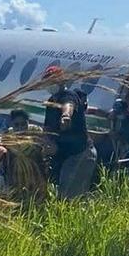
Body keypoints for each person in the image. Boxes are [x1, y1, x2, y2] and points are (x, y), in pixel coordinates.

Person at [40, 65, 97, 199]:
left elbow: (68, 105)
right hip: (65, 154)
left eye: (53, 81)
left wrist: (66, 116)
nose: (50, 84)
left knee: (69, 196)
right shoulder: (51, 102)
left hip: (80, 153)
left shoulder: (68, 95)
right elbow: (48, 127)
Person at [0, 110, 55, 204]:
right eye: (17, 125)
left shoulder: (36, 132)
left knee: (35, 200)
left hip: (35, 174)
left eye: (23, 124)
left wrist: (44, 145)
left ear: (28, 123)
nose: (20, 128)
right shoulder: (8, 136)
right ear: (12, 124)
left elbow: (51, 149)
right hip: (15, 174)